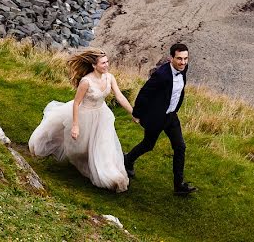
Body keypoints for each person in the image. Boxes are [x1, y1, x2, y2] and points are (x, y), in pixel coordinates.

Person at [28, 48, 133, 192]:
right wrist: (75, 125)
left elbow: (120, 96)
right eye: (103, 63)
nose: (107, 65)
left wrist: (133, 113)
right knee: (79, 148)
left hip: (102, 115)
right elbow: (76, 103)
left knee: (104, 145)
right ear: (94, 65)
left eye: (107, 62)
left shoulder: (110, 77)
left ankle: (110, 175)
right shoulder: (86, 82)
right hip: (85, 115)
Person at [124, 43, 198, 196]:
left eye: (185, 59)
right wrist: (137, 114)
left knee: (180, 147)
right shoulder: (161, 75)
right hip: (157, 117)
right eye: (179, 59)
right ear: (171, 58)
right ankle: (127, 160)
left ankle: (179, 186)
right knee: (148, 144)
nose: (183, 62)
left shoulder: (183, 69)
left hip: (171, 116)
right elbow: (145, 93)